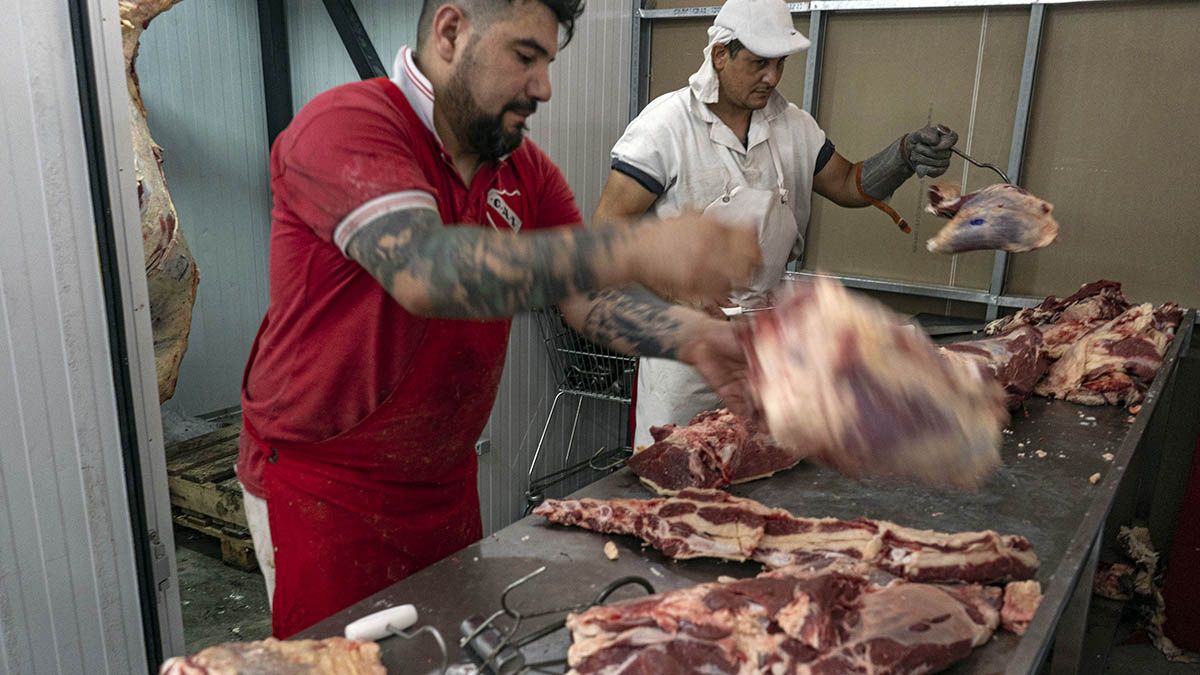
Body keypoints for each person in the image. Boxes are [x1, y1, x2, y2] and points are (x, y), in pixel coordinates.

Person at [236, 0, 762, 637]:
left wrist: (694, 338)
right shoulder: (350, 125)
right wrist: (637, 245)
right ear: (452, 32)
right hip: (325, 487)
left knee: (448, 652)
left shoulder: (521, 171)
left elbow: (585, 297)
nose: (543, 86)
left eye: (549, 62)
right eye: (525, 57)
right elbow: (427, 271)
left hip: (442, 481)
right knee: (340, 659)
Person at [592, 0, 960, 446]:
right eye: (759, 63)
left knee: (756, 481)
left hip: (766, 346)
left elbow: (846, 181)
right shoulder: (666, 128)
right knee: (678, 480)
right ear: (720, 55)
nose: (771, 77)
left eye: (780, 63)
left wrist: (903, 156)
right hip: (686, 354)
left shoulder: (794, 127)